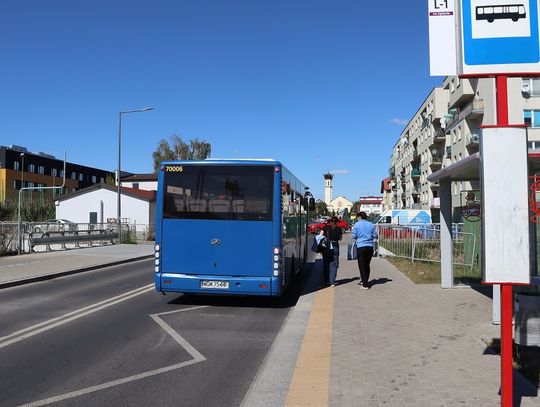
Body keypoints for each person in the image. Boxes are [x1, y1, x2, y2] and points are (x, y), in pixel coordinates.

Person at [351, 211, 377, 289]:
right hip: (370, 246)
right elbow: (375, 235)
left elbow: (354, 236)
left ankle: (365, 285)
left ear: (359, 217)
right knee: (367, 265)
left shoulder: (357, 224)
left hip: (361, 246)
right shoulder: (371, 224)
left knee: (362, 265)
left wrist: (357, 237)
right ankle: (364, 280)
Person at [321, 216, 343, 287]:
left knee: (326, 264)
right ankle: (332, 282)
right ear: (337, 222)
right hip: (335, 246)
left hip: (327, 247)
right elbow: (340, 239)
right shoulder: (339, 229)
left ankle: (326, 281)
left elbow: (320, 236)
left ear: (330, 221)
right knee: (334, 264)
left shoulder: (325, 228)